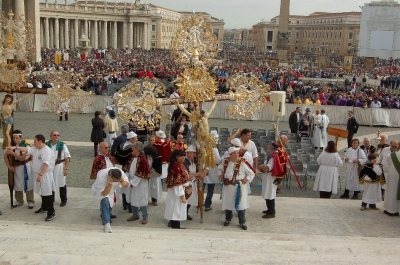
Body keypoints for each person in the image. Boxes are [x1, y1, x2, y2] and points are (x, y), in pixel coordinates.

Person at [7, 134, 56, 221]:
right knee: (42, 192)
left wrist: (41, 174)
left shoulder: (46, 151)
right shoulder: (36, 149)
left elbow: (46, 164)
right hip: (38, 174)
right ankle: (44, 207)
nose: (34, 143)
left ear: (40, 141)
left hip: (45, 175)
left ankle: (51, 212)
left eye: (35, 141)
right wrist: (15, 148)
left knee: (47, 193)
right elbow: (27, 149)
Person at [218, 147, 256, 230]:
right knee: (228, 204)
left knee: (241, 205)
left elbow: (251, 173)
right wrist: (221, 175)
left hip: (239, 187)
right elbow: (219, 169)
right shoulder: (225, 161)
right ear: (230, 154)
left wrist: (247, 179)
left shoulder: (242, 162)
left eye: (237, 153)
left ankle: (242, 222)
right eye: (234, 153)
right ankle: (228, 219)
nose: (236, 155)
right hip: (228, 187)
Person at [91, 168, 129, 233]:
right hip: (100, 191)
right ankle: (106, 223)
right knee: (105, 201)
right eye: (115, 181)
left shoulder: (120, 172)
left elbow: (127, 184)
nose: (117, 182)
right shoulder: (101, 176)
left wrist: (122, 181)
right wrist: (110, 183)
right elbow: (103, 193)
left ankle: (106, 214)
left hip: (111, 191)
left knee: (110, 203)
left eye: (117, 181)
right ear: (110, 177)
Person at [4, 130, 35, 209]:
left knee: (28, 184)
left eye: (16, 138)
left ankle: (30, 201)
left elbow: (22, 158)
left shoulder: (26, 146)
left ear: (21, 137)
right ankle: (19, 200)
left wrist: (12, 153)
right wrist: (9, 166)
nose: (15, 139)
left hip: (26, 167)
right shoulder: (11, 145)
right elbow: (5, 157)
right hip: (17, 168)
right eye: (14, 138)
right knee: (17, 184)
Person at [124, 142, 151, 225]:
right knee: (133, 198)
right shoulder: (133, 157)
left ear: (138, 149)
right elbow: (128, 168)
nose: (132, 149)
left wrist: (132, 183)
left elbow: (141, 174)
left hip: (140, 183)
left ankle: (145, 216)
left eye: (134, 147)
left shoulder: (142, 159)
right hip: (133, 180)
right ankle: (135, 214)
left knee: (141, 198)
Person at [164, 150, 191, 229]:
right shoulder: (176, 167)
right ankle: (175, 227)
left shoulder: (180, 165)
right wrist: (182, 195)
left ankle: (177, 226)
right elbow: (177, 183)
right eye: (181, 156)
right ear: (176, 157)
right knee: (176, 209)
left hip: (181, 189)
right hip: (177, 192)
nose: (183, 158)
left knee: (177, 209)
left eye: (184, 156)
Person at [258, 142, 286, 218]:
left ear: (271, 147)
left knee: (270, 193)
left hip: (270, 177)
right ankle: (269, 209)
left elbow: (267, 169)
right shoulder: (276, 155)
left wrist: (260, 168)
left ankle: (272, 212)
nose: (268, 146)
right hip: (270, 177)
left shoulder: (273, 157)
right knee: (269, 193)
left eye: (269, 145)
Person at [46, 131, 71, 207]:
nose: (56, 136)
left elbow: (67, 157)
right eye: (54, 135)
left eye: (57, 135)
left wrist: (66, 168)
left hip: (59, 166)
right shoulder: (47, 145)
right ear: (50, 136)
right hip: (49, 167)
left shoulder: (62, 145)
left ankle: (64, 199)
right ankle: (51, 199)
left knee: (61, 183)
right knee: (50, 183)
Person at [183, 145, 207, 220]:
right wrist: (197, 174)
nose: (189, 155)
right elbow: (184, 175)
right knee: (184, 201)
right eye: (188, 153)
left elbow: (206, 168)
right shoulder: (184, 162)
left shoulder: (197, 161)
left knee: (191, 200)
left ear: (194, 154)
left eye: (191, 153)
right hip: (186, 184)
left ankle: (185, 213)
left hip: (194, 183)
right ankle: (178, 216)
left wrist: (204, 173)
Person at [204, 130, 222, 211]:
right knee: (210, 190)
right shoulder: (214, 149)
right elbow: (218, 161)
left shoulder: (204, 147)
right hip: (211, 170)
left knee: (201, 188)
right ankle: (207, 205)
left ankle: (199, 203)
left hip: (204, 169)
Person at [383, 144, 400, 216]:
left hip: (394, 176)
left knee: (392, 192)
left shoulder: (392, 155)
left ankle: (391, 210)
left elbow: (388, 162)